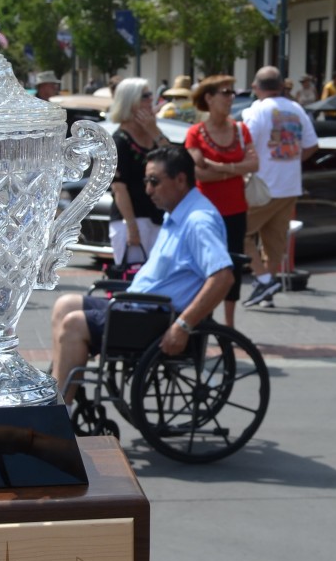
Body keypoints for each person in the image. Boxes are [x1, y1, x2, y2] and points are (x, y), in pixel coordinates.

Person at [50, 145, 233, 403]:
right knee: (64, 304)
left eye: (154, 181)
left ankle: (60, 409)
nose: (148, 190)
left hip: (156, 318)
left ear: (181, 180)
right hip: (139, 308)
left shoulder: (198, 221)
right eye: (146, 181)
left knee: (74, 324)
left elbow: (223, 277)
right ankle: (61, 389)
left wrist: (183, 326)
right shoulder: (178, 213)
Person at [185, 75, 258, 329]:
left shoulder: (240, 130)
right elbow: (198, 172)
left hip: (236, 209)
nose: (231, 98)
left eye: (232, 93)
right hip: (205, 212)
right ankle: (201, 318)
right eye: (226, 92)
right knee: (203, 265)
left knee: (233, 264)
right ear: (209, 98)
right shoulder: (196, 133)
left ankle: (229, 325)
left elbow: (255, 164)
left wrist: (218, 167)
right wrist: (235, 169)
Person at [241, 65, 318, 306]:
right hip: (290, 185)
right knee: (274, 244)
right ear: (281, 86)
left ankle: (264, 281)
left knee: (238, 233)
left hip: (264, 185)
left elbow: (244, 143)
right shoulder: (296, 109)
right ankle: (267, 293)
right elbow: (312, 145)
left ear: (256, 87)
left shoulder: (258, 110)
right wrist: (292, 159)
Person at [104, 78, 166, 270]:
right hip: (132, 221)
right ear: (131, 102)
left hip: (157, 217)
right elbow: (119, 188)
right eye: (145, 96)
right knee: (133, 278)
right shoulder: (119, 141)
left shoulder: (153, 135)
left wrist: (155, 132)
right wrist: (132, 227)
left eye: (151, 95)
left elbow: (176, 162)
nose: (151, 100)